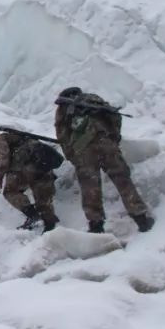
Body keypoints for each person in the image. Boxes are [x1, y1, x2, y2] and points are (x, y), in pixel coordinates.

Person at [54, 87, 154, 233]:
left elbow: (62, 135)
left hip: (83, 150)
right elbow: (115, 116)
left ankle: (96, 225)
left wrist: (72, 155)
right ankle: (141, 219)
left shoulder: (64, 108)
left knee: (90, 187)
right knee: (123, 180)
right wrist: (113, 138)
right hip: (106, 143)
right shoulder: (94, 100)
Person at [0, 132, 59, 231]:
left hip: (33, 164)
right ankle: (41, 221)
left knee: (15, 193)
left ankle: (42, 221)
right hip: (37, 165)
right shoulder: (15, 145)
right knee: (37, 198)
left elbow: (4, 155)